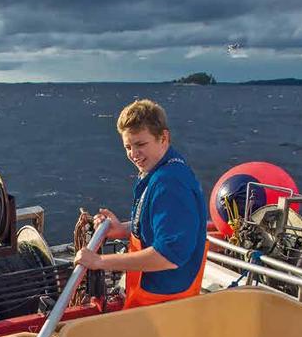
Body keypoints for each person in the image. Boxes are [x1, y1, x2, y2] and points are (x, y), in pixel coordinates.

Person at [75, 99, 207, 308]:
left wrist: (100, 262)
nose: (133, 154)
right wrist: (122, 229)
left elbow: (168, 257)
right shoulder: (158, 172)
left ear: (163, 138)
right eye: (128, 146)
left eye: (140, 144)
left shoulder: (170, 184)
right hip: (148, 296)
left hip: (164, 303)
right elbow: (157, 228)